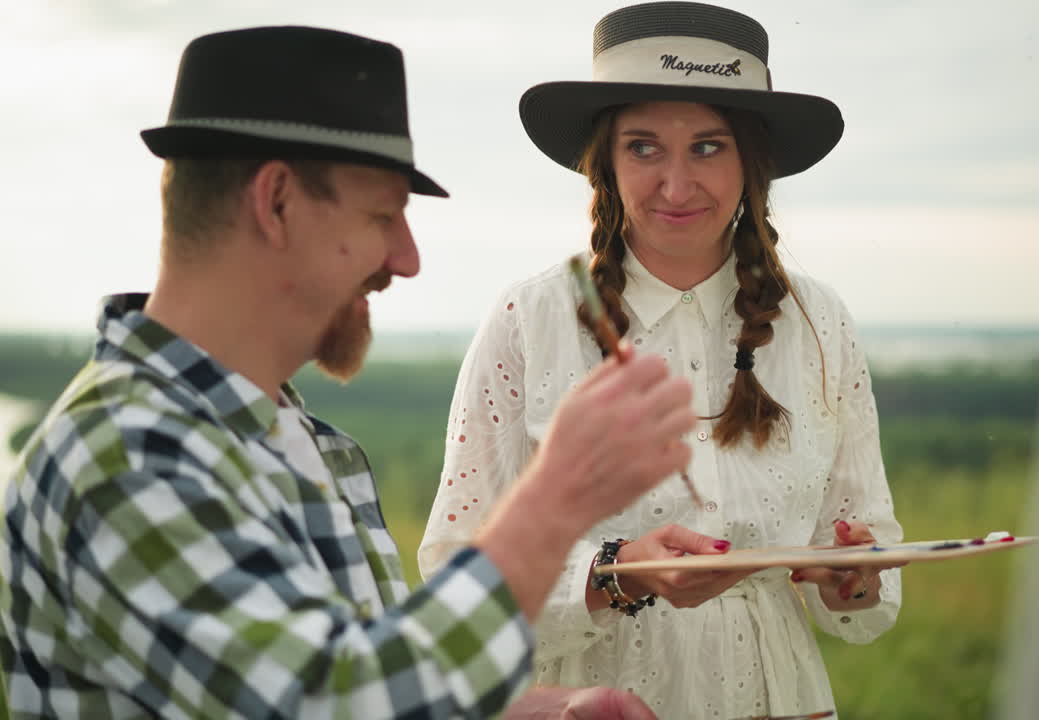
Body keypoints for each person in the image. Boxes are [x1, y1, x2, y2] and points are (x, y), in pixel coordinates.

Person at [0, 25, 691, 720]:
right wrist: (559, 494)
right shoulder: (125, 455)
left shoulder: (311, 447)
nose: (406, 256)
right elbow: (343, 704)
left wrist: (545, 711)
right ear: (276, 203)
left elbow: (371, 679)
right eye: (382, 215)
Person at [417, 2, 903, 718]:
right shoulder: (530, 320)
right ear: (605, 162)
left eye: (708, 147)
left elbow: (871, 583)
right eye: (644, 147)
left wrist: (851, 578)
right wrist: (617, 575)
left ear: (752, 161)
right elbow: (454, 584)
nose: (676, 186)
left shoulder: (820, 321)